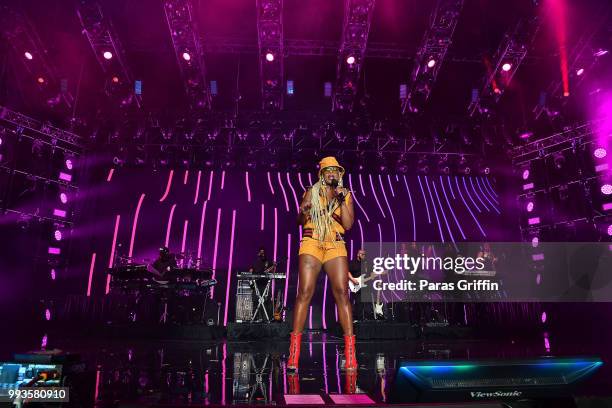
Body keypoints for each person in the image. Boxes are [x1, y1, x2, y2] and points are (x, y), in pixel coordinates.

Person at [288, 156, 357, 371]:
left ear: (340, 174)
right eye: (327, 170)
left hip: (335, 244)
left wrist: (342, 198)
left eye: (335, 171)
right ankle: (294, 355)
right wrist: (304, 209)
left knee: (342, 293)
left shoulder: (345, 195)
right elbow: (299, 221)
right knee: (305, 292)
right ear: (321, 174)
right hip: (312, 241)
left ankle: (350, 354)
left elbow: (347, 225)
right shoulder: (312, 190)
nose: (331, 173)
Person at [348, 249, 366, 322]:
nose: (364, 256)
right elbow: (347, 272)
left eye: (364, 254)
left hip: (362, 285)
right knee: (354, 302)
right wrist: (352, 280)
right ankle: (353, 318)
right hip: (353, 285)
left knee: (361, 302)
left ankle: (360, 318)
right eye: (362, 254)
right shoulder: (353, 263)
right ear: (358, 254)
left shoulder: (365, 264)